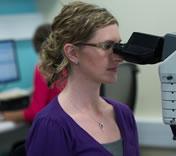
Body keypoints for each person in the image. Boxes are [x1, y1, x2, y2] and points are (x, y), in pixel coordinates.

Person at [26, 1, 140, 156]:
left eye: (119, 46)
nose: (118, 57)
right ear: (73, 53)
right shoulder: (51, 125)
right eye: (107, 46)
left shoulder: (123, 114)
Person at [1, 24, 61, 123]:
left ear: (40, 50)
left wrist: (6, 115)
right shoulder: (69, 65)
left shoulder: (43, 69)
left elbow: (35, 112)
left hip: (54, 126)